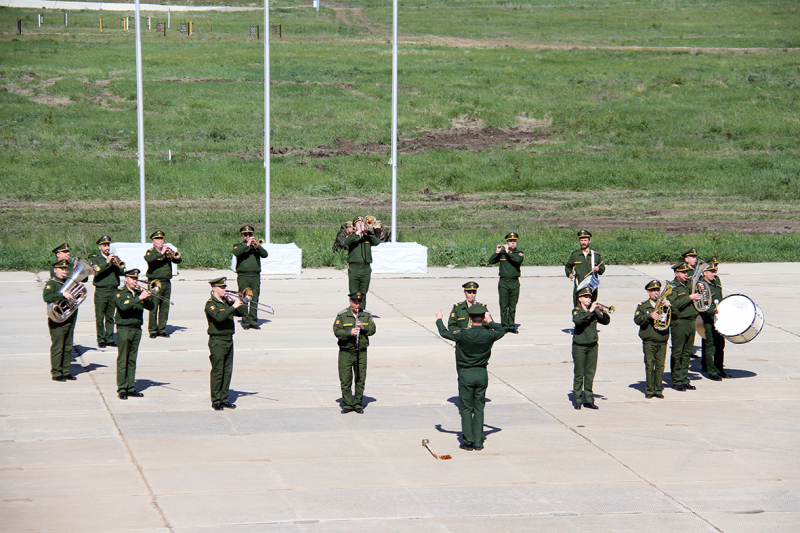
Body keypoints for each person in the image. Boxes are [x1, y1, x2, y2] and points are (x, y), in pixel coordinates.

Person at [436, 303, 505, 451]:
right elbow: (502, 330)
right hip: (481, 373)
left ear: (471, 317)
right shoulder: (489, 334)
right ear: (482, 318)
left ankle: (468, 441)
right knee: (479, 408)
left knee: (466, 408)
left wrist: (439, 320)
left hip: (466, 373)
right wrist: (490, 321)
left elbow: (444, 333)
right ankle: (479, 442)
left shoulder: (463, 334)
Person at [205, 277, 247, 411]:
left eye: (225, 287)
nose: (224, 290)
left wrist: (235, 302)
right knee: (218, 371)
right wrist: (232, 307)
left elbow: (243, 313)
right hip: (217, 340)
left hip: (229, 338)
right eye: (221, 287)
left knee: (227, 371)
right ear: (214, 288)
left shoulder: (227, 302)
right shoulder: (211, 304)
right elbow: (219, 318)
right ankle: (216, 400)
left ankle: (224, 398)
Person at [333, 292, 376, 414]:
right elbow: (337, 331)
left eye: (359, 302)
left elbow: (373, 330)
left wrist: (363, 328)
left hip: (361, 352)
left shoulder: (366, 315)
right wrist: (349, 332)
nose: (357, 304)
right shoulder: (342, 315)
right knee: (345, 379)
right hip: (346, 352)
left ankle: (358, 404)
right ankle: (347, 404)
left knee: (360, 379)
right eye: (355, 302)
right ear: (350, 302)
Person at [114, 269, 154, 400]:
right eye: (132, 279)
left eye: (136, 279)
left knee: (132, 360)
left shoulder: (138, 293)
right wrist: (139, 298)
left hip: (136, 329)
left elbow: (152, 307)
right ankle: (122, 388)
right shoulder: (120, 293)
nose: (135, 281)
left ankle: (130, 387)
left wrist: (146, 295)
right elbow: (123, 307)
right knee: (123, 360)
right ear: (126, 279)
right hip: (124, 329)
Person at [571, 286, 611, 409]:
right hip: (580, 347)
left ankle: (588, 399)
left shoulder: (593, 311)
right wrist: (590, 311)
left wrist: (602, 311)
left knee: (590, 373)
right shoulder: (577, 310)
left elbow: (606, 321)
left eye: (589, 297)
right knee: (579, 373)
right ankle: (577, 399)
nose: (589, 299)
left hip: (592, 346)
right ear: (580, 299)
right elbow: (578, 321)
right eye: (586, 297)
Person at [667, 262, 702, 391]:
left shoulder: (689, 285)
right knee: (678, 353)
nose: (686, 275)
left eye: (687, 272)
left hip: (691, 321)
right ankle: (676, 380)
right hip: (679, 322)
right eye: (683, 272)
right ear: (676, 273)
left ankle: (684, 379)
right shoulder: (672, 287)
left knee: (687, 353)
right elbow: (673, 304)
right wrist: (689, 297)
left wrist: (697, 289)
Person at [42, 259, 79, 382]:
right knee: (58, 347)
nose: (64, 271)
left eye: (65, 269)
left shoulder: (69, 282)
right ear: (55, 270)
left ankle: (66, 371)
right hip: (57, 319)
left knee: (68, 346)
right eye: (61, 269)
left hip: (69, 318)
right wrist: (62, 295)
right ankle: (57, 372)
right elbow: (46, 297)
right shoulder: (52, 283)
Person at [634, 280, 671, 399]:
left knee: (660, 366)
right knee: (650, 365)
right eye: (653, 291)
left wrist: (670, 307)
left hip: (662, 339)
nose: (656, 293)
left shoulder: (664, 304)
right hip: (649, 340)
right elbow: (637, 320)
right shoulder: (643, 306)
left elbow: (675, 317)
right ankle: (650, 390)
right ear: (648, 292)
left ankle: (658, 389)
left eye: (658, 290)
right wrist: (649, 316)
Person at [144, 230, 181, 338]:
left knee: (165, 307)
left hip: (166, 282)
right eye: (158, 239)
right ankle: (153, 330)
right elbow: (149, 260)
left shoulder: (167, 252)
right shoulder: (151, 252)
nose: (161, 241)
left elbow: (178, 260)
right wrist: (161, 253)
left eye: (162, 239)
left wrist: (172, 254)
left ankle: (162, 329)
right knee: (153, 306)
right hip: (155, 282)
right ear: (153, 241)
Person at [89, 235, 123, 348]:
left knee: (110, 316)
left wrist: (117, 263)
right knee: (100, 317)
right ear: (100, 247)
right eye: (104, 245)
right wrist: (107, 262)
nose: (107, 248)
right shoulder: (95, 259)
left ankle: (109, 338)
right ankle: (101, 339)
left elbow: (123, 271)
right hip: (101, 291)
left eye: (108, 245)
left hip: (113, 290)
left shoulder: (115, 257)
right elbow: (96, 271)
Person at [233, 225, 268, 330]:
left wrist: (257, 246)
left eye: (250, 234)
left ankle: (253, 320)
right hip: (243, 276)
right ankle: (245, 321)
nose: (248, 236)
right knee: (244, 297)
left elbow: (265, 254)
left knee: (254, 298)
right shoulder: (238, 246)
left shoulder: (255, 246)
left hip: (255, 276)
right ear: (242, 236)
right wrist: (247, 245)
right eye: (245, 235)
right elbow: (236, 253)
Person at [488, 232, 524, 333]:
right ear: (507, 242)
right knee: (504, 305)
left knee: (512, 305)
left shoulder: (519, 253)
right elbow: (491, 261)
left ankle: (511, 325)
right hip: (503, 281)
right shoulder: (502, 254)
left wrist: (508, 252)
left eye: (514, 241)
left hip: (514, 282)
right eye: (510, 241)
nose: (512, 243)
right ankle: (504, 325)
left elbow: (517, 260)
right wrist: (497, 252)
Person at [344, 216, 380, 311]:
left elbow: (377, 242)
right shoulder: (352, 236)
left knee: (363, 292)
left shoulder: (368, 236)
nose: (361, 225)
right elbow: (346, 242)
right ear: (354, 226)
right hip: (354, 268)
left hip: (365, 268)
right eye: (358, 223)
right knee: (354, 292)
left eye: (362, 223)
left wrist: (368, 232)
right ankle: (353, 311)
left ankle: (362, 313)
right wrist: (357, 233)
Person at [699, 257, 725, 381]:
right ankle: (711, 371)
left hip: (719, 317)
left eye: (714, 271)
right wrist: (712, 312)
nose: (714, 273)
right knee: (710, 345)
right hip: (708, 318)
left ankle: (720, 369)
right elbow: (702, 305)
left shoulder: (716, 281)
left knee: (720, 344)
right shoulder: (702, 285)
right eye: (711, 271)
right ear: (704, 273)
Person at [565, 229, 605, 306]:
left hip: (591, 287)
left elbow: (602, 269)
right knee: (578, 308)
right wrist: (569, 274)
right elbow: (568, 266)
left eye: (585, 240)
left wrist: (598, 269)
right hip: (579, 285)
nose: (583, 242)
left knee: (591, 308)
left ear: (589, 241)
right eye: (581, 240)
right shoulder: (575, 255)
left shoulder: (596, 256)